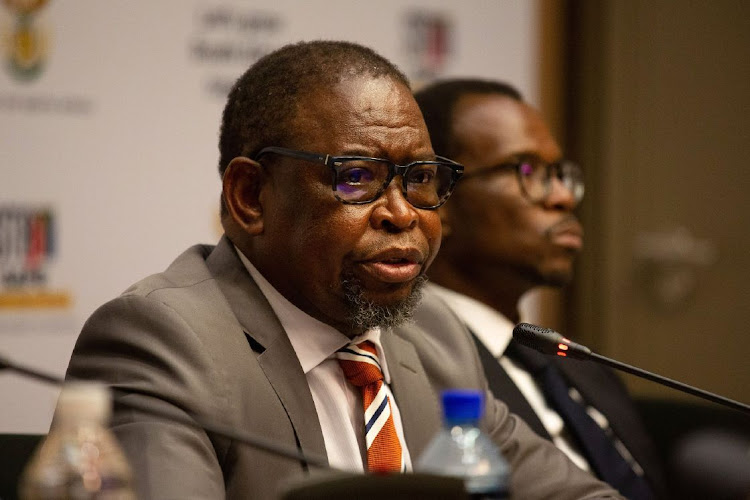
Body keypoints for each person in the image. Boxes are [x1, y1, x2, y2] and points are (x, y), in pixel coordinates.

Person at [61, 42, 622, 499]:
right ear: (251, 196)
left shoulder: (434, 331)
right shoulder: (164, 342)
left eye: (421, 178)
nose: (402, 213)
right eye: (355, 177)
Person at [415, 78, 667, 499]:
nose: (564, 197)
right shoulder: (419, 366)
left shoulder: (575, 361)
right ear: (439, 198)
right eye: (527, 170)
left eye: (560, 174)